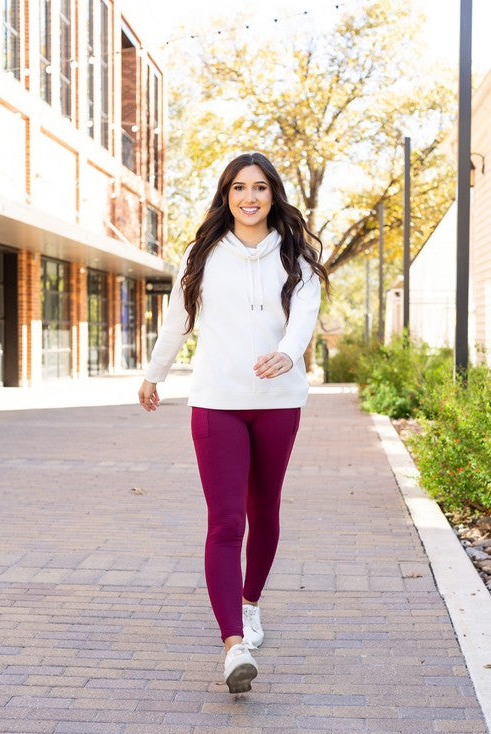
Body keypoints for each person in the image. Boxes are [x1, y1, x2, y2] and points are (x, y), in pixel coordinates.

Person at [139, 152, 329, 694]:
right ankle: (232, 646)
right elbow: (177, 321)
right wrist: (156, 374)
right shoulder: (201, 255)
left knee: (263, 509)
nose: (250, 197)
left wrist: (289, 355)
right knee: (225, 522)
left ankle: (250, 606)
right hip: (216, 401)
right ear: (226, 195)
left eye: (261, 188)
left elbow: (302, 321)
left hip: (278, 402)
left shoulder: (299, 257)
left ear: (274, 195)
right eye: (240, 188)